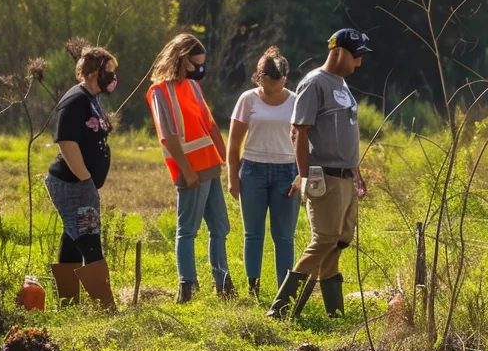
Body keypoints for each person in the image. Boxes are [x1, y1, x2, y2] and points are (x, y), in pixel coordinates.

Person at [266, 28, 373, 318]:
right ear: (338, 51)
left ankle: (334, 313)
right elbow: (299, 131)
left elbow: (346, 131)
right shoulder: (314, 83)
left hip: (346, 175)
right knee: (324, 238)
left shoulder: (342, 84)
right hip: (323, 175)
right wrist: (304, 175)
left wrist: (356, 169)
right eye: (356, 56)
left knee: (339, 240)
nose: (359, 63)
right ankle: (281, 310)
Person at [147, 34, 232, 303]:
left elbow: (210, 125)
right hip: (191, 171)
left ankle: (223, 283)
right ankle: (187, 287)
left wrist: (226, 158)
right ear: (182, 59)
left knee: (220, 227)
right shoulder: (160, 91)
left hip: (210, 167)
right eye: (196, 64)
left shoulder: (194, 88)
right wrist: (188, 171)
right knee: (188, 230)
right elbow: (168, 138)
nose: (200, 69)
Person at [45, 38, 120, 310]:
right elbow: (66, 141)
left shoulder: (92, 99)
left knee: (73, 237)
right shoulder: (75, 100)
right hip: (71, 183)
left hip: (82, 183)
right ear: (92, 73)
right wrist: (85, 178)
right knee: (89, 239)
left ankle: (68, 305)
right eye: (108, 72)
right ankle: (107, 308)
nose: (112, 77)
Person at [228, 47, 300, 296]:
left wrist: (302, 175)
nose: (268, 87)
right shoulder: (247, 99)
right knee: (253, 233)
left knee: (284, 236)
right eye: (264, 81)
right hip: (252, 172)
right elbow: (234, 142)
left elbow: (304, 140)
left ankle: (284, 291)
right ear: (258, 77)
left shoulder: (295, 101)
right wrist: (232, 179)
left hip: (287, 172)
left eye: (274, 81)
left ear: (284, 78)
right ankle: (253, 287)